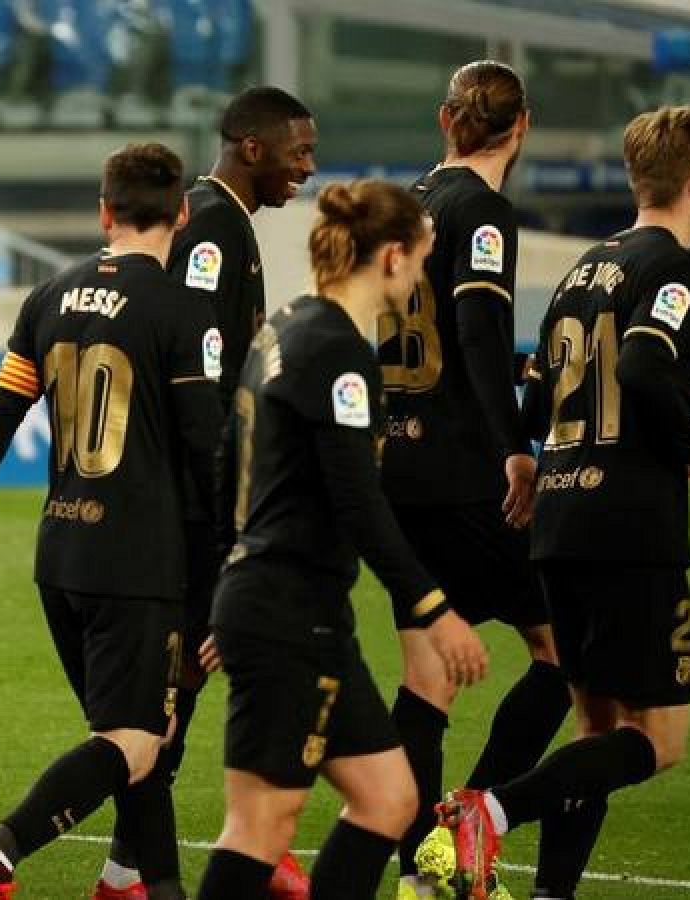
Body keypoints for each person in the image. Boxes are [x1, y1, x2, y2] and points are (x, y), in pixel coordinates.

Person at [437, 104, 690, 900]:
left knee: (594, 728)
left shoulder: (584, 270)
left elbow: (539, 382)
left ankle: (550, 892)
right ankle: (487, 812)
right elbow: (639, 371)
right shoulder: (676, 268)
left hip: (561, 518)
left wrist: (529, 464)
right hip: (628, 524)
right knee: (658, 738)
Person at [0, 141, 222, 900]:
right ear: (182, 215)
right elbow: (206, 452)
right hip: (140, 562)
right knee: (133, 739)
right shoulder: (184, 309)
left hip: (61, 553)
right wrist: (230, 572)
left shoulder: (50, 294)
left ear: (104, 212)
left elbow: (0, 411)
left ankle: (157, 888)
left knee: (141, 742)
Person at [194, 179, 488, 900]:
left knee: (390, 798)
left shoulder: (284, 327)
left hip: (301, 611)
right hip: (286, 610)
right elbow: (360, 505)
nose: (419, 277)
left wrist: (224, 590)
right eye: (418, 261)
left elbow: (224, 467)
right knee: (261, 826)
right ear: (391, 257)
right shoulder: (339, 354)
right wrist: (434, 609)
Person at [95, 84, 319, 900]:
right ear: (251, 147)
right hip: (201, 499)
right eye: (299, 151)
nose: (310, 167)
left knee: (188, 682)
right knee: (222, 668)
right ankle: (252, 846)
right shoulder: (213, 228)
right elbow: (191, 368)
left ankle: (131, 868)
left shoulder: (225, 223)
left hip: (199, 496)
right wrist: (230, 499)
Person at [378, 60, 571, 900]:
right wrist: (518, 448)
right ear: (520, 127)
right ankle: (469, 819)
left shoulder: (408, 205)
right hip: (464, 477)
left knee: (426, 675)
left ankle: (423, 866)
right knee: (564, 653)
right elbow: (479, 330)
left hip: (397, 471)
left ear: (443, 120)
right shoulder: (482, 211)